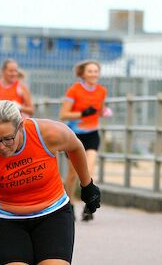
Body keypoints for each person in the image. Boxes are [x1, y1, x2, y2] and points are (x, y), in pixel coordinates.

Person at [0, 100, 100, 265]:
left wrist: (87, 185)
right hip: (8, 221)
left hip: (52, 214)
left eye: (8, 139)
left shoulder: (47, 133)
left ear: (20, 126)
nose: (1, 147)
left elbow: (75, 146)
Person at [59, 60, 108, 222]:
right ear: (83, 74)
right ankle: (69, 204)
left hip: (92, 134)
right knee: (73, 173)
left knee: (89, 170)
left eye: (96, 71)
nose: (94, 74)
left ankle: (89, 204)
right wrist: (82, 114)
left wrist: (105, 111)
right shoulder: (74, 90)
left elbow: (100, 109)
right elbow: (63, 114)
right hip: (74, 135)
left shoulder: (102, 91)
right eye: (90, 71)